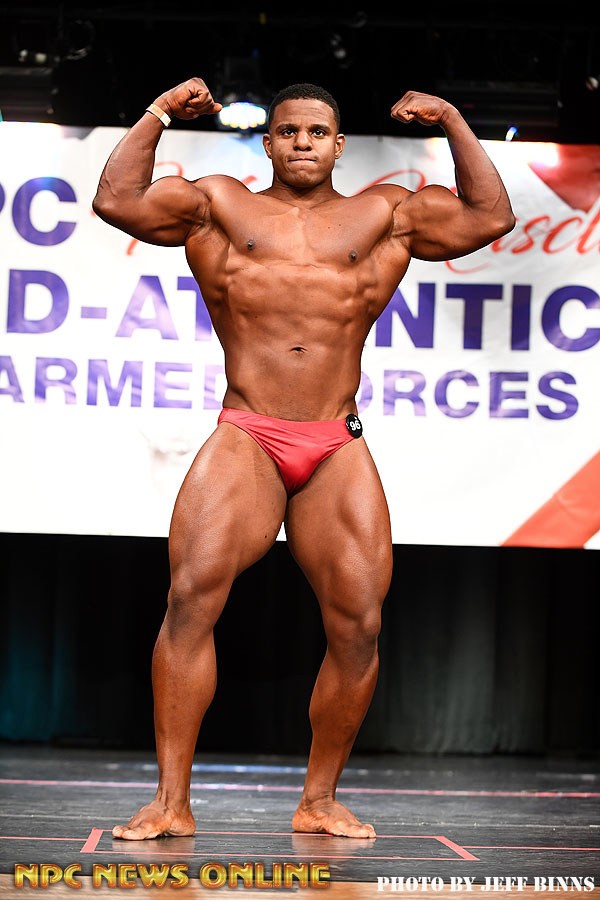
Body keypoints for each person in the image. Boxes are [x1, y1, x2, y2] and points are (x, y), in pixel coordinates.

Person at [92, 76, 515, 841]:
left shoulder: (384, 213)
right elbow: (118, 201)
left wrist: (453, 118)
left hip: (333, 441)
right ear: (268, 142)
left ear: (338, 144)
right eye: (288, 131)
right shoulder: (221, 204)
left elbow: (490, 216)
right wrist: (157, 110)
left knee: (359, 625)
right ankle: (170, 802)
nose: (302, 143)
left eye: (316, 132)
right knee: (189, 601)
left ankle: (319, 800)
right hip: (248, 433)